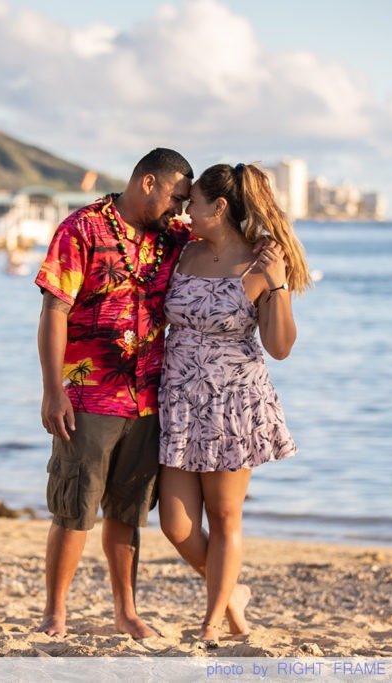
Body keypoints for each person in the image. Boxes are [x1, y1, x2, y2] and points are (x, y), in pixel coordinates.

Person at [34, 148, 194, 639]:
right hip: (87, 396)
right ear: (148, 182)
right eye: (175, 197)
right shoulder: (81, 229)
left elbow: (232, 232)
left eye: (187, 202)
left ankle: (125, 612)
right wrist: (51, 390)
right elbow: (53, 312)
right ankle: (55, 613)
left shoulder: (173, 236)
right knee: (74, 509)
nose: (180, 209)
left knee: (127, 512)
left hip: (149, 399)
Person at [157, 162, 310, 647]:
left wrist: (278, 283)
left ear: (218, 207)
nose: (185, 210)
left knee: (224, 519)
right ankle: (233, 595)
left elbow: (280, 346)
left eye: (193, 203)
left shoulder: (261, 261)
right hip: (179, 400)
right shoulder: (183, 250)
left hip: (232, 404)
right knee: (175, 523)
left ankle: (210, 624)